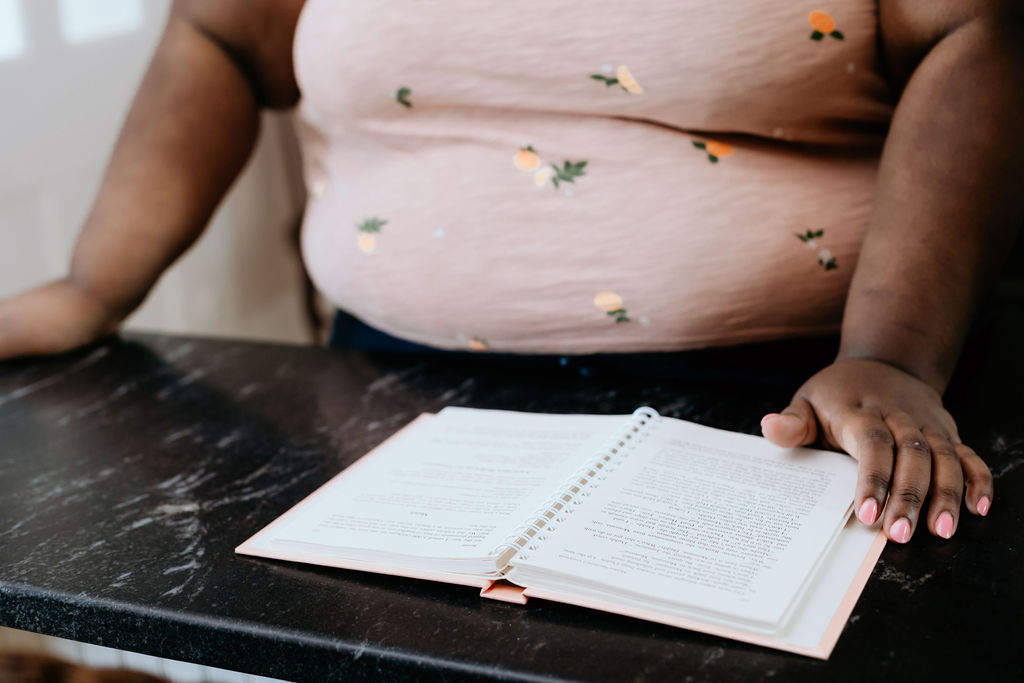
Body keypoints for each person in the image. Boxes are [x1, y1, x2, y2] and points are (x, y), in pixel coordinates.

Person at [0, 0, 1018, 545]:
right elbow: (219, 32)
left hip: (796, 394)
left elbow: (978, 34)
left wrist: (892, 353)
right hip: (395, 389)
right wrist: (96, 282)